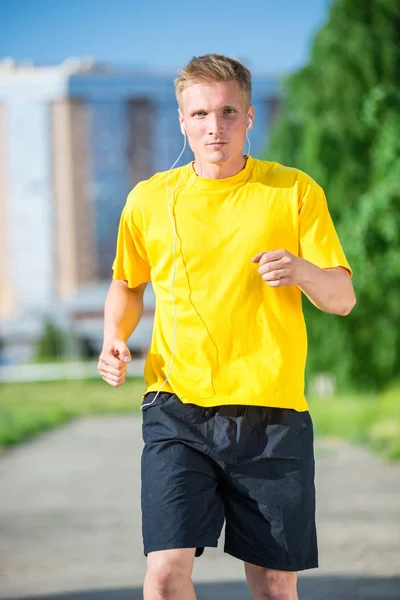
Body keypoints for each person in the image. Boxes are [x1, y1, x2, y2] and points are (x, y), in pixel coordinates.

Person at [98, 53, 356, 600]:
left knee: (273, 585)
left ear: (250, 116)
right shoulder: (148, 200)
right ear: (182, 119)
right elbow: (127, 283)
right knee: (165, 573)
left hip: (273, 415)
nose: (214, 127)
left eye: (228, 112)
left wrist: (303, 270)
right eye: (200, 115)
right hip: (177, 409)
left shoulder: (293, 192)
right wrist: (114, 337)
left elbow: (342, 298)